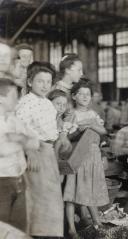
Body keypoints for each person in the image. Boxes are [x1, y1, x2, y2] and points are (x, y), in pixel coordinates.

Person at [15, 62, 65, 237]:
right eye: (40, 81)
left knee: (52, 198)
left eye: (48, 81)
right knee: (40, 199)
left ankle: (49, 233)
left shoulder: (47, 102)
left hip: (48, 152)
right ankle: (38, 234)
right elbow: (19, 129)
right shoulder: (26, 103)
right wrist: (30, 152)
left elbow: (50, 127)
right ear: (29, 82)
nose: (45, 85)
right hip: (36, 152)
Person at [63, 81, 109, 238]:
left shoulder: (93, 114)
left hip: (92, 157)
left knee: (89, 190)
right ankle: (71, 229)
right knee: (71, 193)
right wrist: (77, 131)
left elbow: (103, 131)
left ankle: (97, 222)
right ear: (74, 96)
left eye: (87, 94)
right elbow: (66, 138)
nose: (84, 97)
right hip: (77, 157)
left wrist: (90, 124)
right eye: (80, 94)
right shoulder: (71, 114)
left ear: (91, 97)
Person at [0, 79, 39, 232]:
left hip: (19, 179)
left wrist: (19, 138)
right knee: (2, 227)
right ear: (1, 98)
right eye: (14, 97)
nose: (18, 100)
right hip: (2, 182)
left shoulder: (15, 121)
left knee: (20, 227)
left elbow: (35, 142)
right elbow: (2, 150)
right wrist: (22, 141)